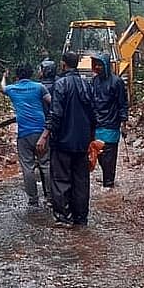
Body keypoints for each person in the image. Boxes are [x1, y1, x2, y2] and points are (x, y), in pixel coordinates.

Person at [36, 52, 95, 226]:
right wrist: (91, 138)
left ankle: (63, 217)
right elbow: (93, 114)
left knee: (61, 179)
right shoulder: (87, 84)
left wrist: (44, 136)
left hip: (63, 141)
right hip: (82, 142)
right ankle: (81, 218)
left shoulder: (60, 85)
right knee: (81, 180)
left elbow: (56, 115)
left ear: (63, 64)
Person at [1, 64, 52, 207]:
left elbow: (2, 88)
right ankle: (50, 198)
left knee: (27, 167)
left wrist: (4, 76)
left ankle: (33, 199)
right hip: (41, 132)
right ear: (31, 74)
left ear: (17, 77)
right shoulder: (39, 87)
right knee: (45, 164)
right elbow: (52, 102)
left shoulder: (12, 89)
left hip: (24, 134)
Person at [90, 53, 128, 188]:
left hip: (111, 125)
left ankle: (109, 183)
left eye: (100, 64)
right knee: (99, 155)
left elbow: (122, 103)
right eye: (95, 65)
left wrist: (124, 124)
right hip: (97, 124)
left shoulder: (117, 82)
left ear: (106, 66)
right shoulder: (94, 81)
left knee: (109, 158)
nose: (97, 67)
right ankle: (107, 180)